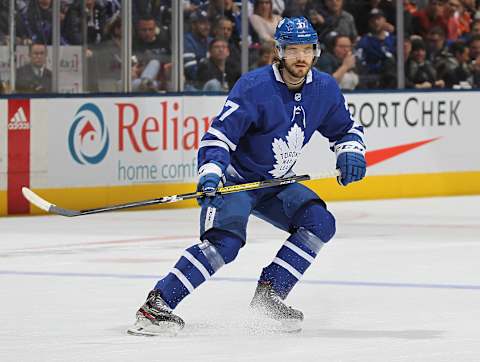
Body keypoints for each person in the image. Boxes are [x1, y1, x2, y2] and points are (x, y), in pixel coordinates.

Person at [127, 16, 366, 336]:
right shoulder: (254, 87)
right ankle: (157, 305)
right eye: (292, 50)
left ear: (316, 51)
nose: (300, 57)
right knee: (224, 244)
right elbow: (219, 137)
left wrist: (350, 150)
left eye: (307, 49)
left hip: (276, 183)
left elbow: (345, 129)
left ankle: (270, 294)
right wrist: (211, 172)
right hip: (236, 180)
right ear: (279, 51)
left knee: (320, 223)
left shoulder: (323, 88)